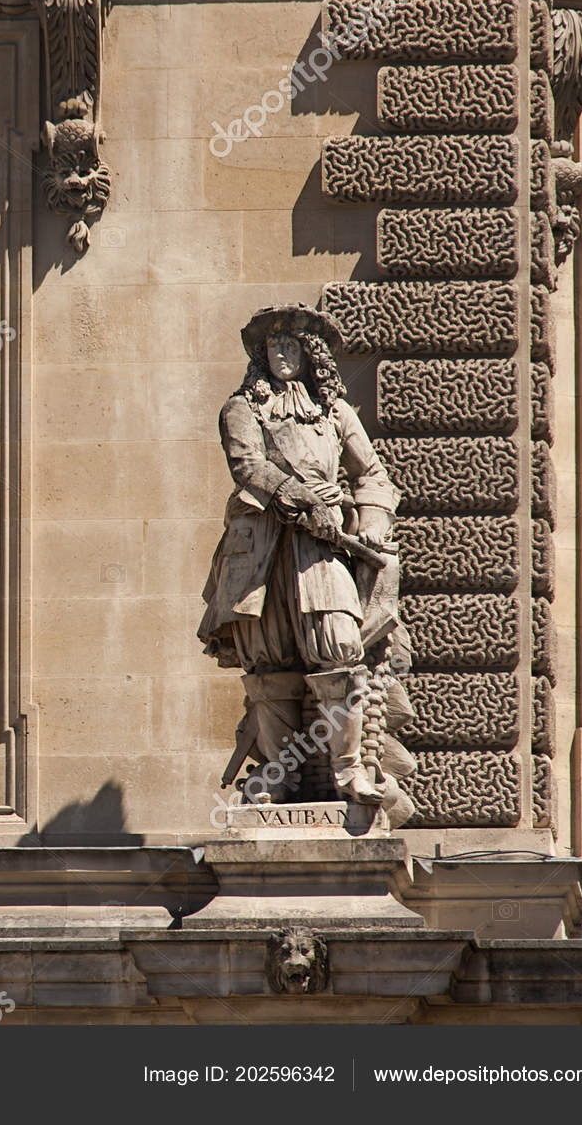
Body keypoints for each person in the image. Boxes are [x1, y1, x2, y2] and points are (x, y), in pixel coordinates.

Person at [198, 304, 399, 805]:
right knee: (267, 665)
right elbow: (248, 466)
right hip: (260, 550)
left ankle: (350, 771)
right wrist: (305, 498)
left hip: (322, 550)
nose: (281, 354)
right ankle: (277, 775)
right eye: (272, 347)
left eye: (291, 345)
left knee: (340, 650)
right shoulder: (242, 408)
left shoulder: (334, 413)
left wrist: (371, 522)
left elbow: (373, 475)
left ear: (311, 355)